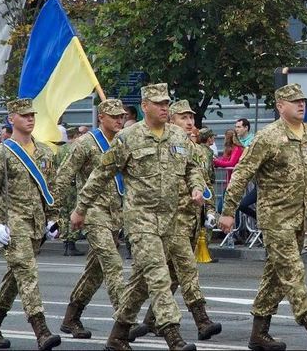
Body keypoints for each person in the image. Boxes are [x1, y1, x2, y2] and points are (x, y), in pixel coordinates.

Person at [71, 83, 205, 351]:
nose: (165, 107)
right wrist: (80, 208)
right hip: (140, 220)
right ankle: (172, 334)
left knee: (141, 283)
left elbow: (193, 167)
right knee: (158, 275)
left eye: (167, 103)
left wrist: (196, 186)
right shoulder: (128, 138)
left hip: (169, 221)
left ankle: (118, 337)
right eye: (159, 103)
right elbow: (101, 174)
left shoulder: (178, 137)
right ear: (145, 106)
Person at [219, 83, 307, 351]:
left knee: (276, 277)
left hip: (300, 217)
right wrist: (229, 210)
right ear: (280, 106)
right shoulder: (268, 137)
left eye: (302, 100)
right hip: (275, 217)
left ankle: (259, 334)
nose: (300, 105)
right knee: (292, 271)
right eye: (294, 101)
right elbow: (242, 173)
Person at [54, 99, 149, 341]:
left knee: (95, 271)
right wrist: (53, 212)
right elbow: (64, 176)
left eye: (122, 116)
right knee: (113, 263)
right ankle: (125, 318)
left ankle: (71, 317)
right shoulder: (86, 144)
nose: (119, 120)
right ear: (101, 118)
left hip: (116, 213)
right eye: (114, 116)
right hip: (92, 212)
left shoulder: (122, 143)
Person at [0, 98, 61, 350]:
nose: (30, 119)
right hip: (13, 225)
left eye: (32, 114)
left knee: (17, 276)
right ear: (11, 118)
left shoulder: (45, 152)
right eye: (24, 115)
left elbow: (51, 187)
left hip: (37, 225)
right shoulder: (2, 154)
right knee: (27, 273)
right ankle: (41, 330)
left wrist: (53, 217)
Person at [139, 100, 221, 341]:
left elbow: (206, 182)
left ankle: (148, 321)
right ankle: (202, 320)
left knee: (172, 275)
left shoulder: (196, 150)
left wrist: (211, 210)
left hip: (192, 220)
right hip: (171, 220)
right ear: (171, 120)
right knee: (187, 268)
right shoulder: (165, 147)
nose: (189, 122)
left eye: (191, 118)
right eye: (183, 118)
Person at [55, 127, 85, 257]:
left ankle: (65, 241)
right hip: (74, 185)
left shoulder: (59, 150)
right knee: (74, 211)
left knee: (63, 213)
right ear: (76, 135)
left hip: (62, 185)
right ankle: (71, 242)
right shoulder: (77, 148)